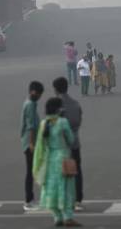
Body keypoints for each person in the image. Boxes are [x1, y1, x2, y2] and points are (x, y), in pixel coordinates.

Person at [32, 97, 80, 227]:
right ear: (59, 109)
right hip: (63, 157)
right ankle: (68, 217)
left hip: (49, 160)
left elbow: (41, 144)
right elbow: (71, 140)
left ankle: (57, 217)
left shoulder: (43, 123)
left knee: (51, 189)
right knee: (66, 188)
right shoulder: (63, 122)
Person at [53, 77, 85, 211]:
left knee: (62, 173)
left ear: (55, 89)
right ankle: (78, 199)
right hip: (75, 142)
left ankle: (64, 200)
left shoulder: (56, 105)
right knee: (76, 171)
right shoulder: (75, 103)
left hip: (61, 145)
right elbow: (79, 121)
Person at [20, 81, 44, 211]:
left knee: (32, 171)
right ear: (33, 92)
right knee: (30, 171)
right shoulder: (30, 105)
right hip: (30, 143)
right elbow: (30, 126)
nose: (40, 97)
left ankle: (31, 198)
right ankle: (28, 200)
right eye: (39, 94)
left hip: (32, 141)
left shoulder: (32, 103)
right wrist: (31, 143)